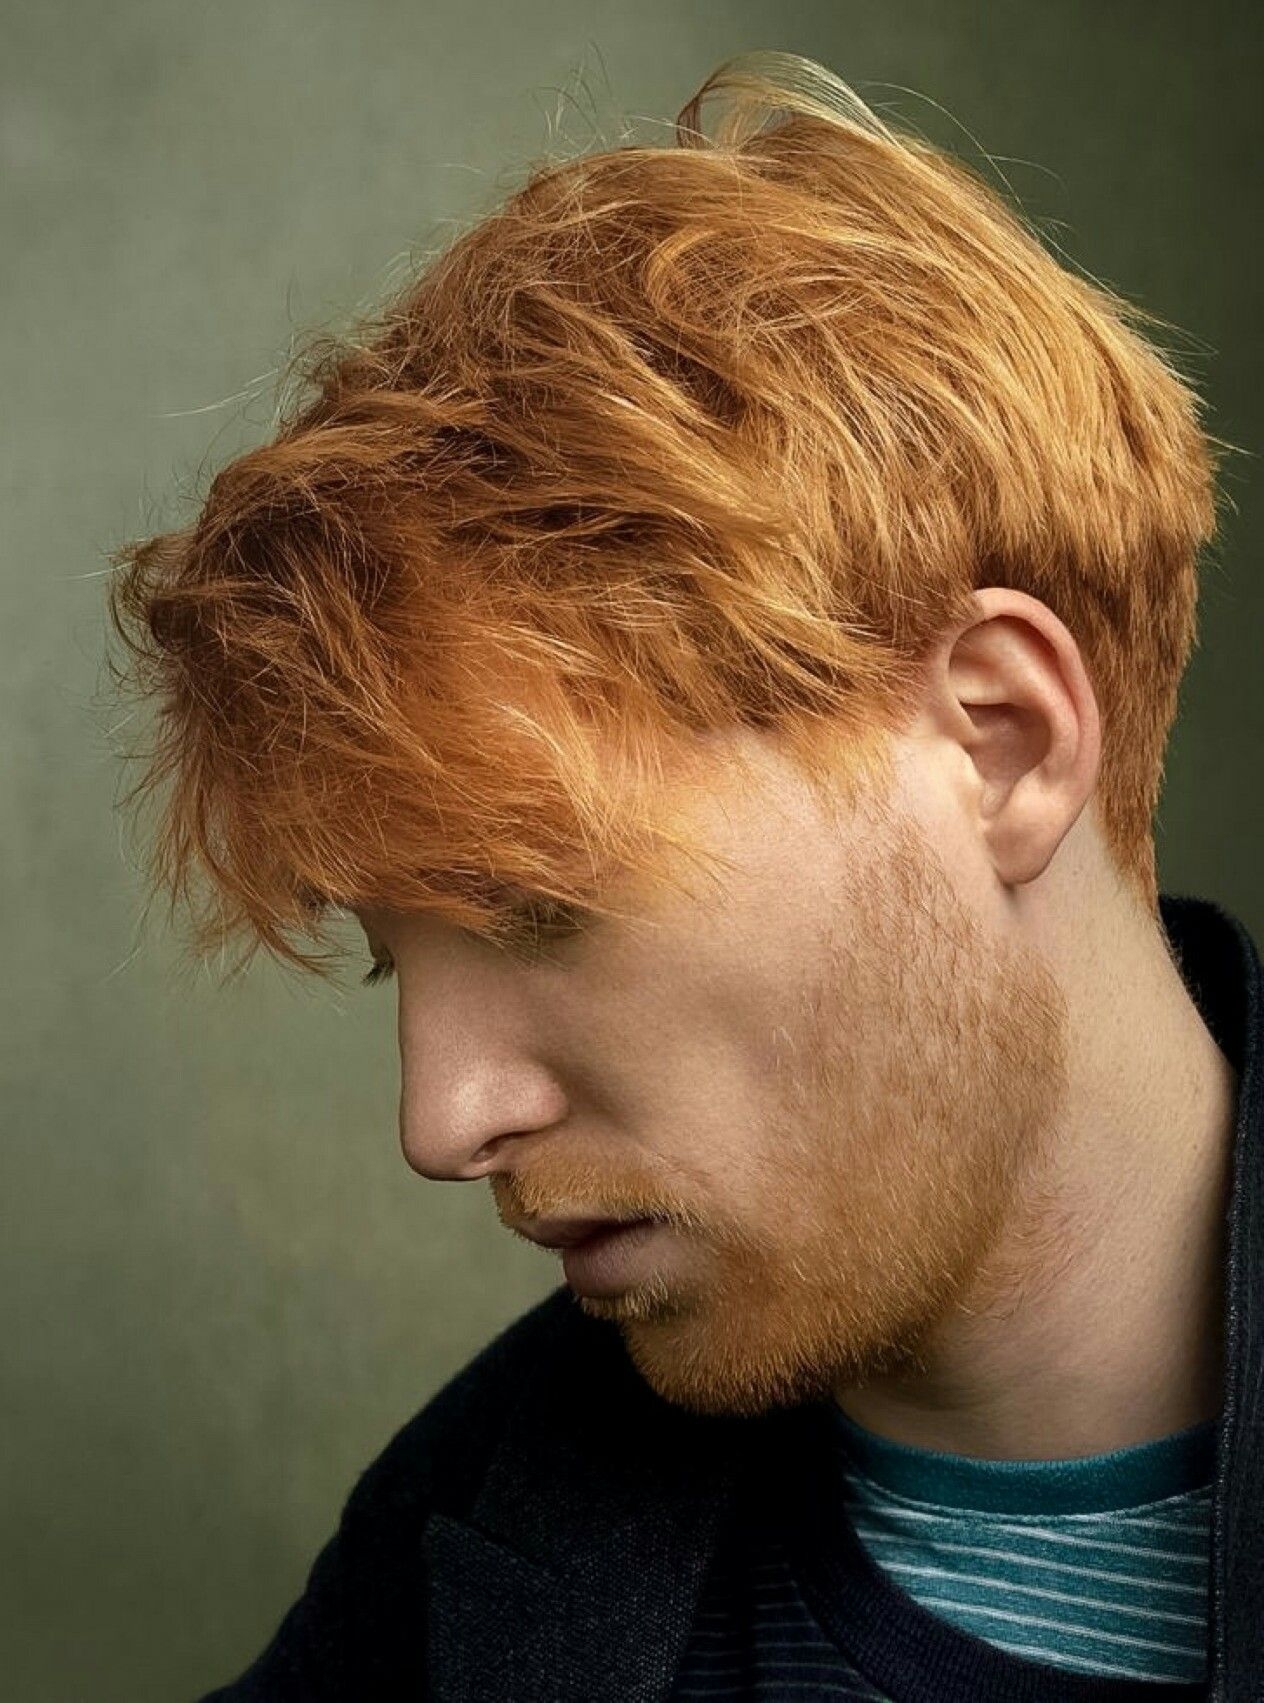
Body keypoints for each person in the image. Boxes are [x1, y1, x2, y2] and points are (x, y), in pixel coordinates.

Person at [105, 50, 1261, 1703]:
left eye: (539, 907)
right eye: (396, 959)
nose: (441, 1122)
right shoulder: (451, 1548)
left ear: (999, 745)